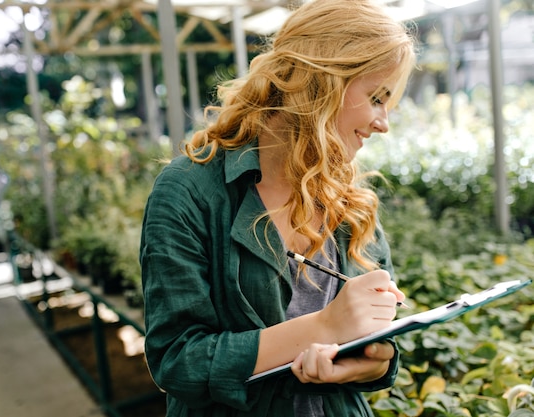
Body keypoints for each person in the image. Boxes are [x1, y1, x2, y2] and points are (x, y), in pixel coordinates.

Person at [139, 0, 416, 415]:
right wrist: (322, 327)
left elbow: (379, 342)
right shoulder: (190, 190)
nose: (383, 123)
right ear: (322, 80)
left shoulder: (349, 196)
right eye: (376, 97)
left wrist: (366, 363)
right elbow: (177, 361)